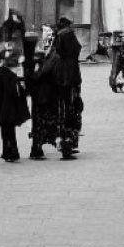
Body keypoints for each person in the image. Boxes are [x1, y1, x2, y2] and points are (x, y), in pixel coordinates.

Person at [0, 44, 31, 162]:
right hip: (10, 104)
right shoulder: (13, 70)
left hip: (4, 104)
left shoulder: (4, 71)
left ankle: (10, 151)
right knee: (8, 129)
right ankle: (9, 151)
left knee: (7, 129)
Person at [53, 16, 83, 158]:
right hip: (71, 77)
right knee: (71, 110)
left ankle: (65, 142)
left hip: (61, 77)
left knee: (63, 110)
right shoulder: (68, 35)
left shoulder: (57, 37)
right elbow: (76, 50)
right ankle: (68, 144)